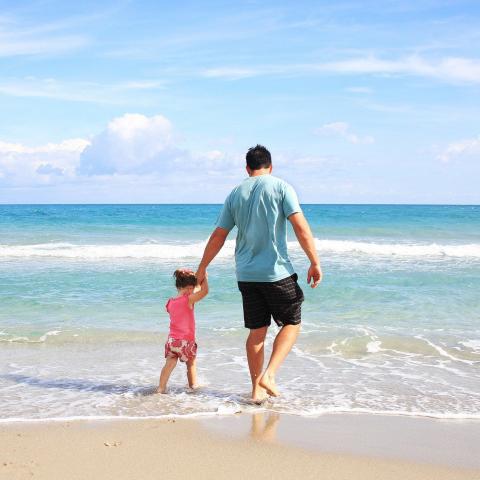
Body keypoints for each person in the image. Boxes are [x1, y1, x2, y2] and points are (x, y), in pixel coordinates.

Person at [196, 145, 321, 402]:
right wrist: (314, 261)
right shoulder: (282, 187)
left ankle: (256, 391)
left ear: (247, 168)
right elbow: (300, 226)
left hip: (246, 274)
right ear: (270, 166)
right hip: (276, 273)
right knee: (292, 323)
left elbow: (219, 235)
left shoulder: (235, 194)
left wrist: (202, 266)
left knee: (257, 332)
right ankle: (270, 375)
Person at [156, 269, 208, 394]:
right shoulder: (188, 300)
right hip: (186, 341)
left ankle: (161, 388)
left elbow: (190, 294)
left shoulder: (170, 302)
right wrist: (205, 278)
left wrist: (194, 284)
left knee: (169, 364)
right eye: (191, 288)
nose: (192, 291)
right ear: (188, 288)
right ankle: (193, 386)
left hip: (172, 341)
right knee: (191, 364)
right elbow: (205, 291)